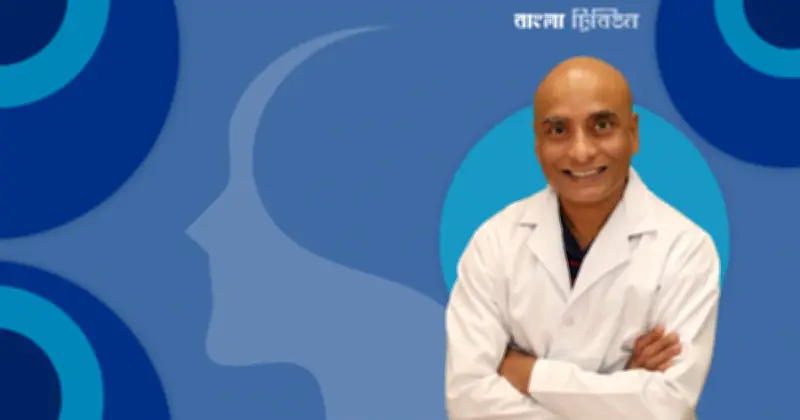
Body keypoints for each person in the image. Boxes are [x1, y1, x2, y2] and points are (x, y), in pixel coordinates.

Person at [444, 56, 721, 420]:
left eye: (601, 126)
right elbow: (467, 401)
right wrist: (621, 392)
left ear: (633, 133)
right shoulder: (494, 243)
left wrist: (528, 373)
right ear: (537, 143)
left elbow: (667, 404)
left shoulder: (686, 249)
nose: (581, 151)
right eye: (558, 130)